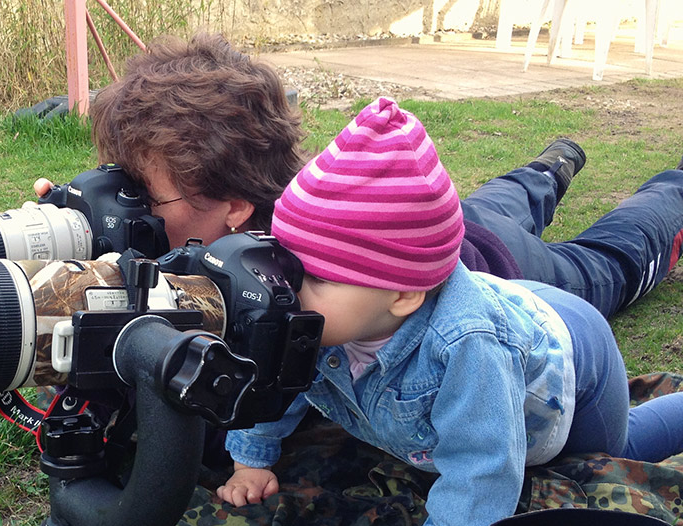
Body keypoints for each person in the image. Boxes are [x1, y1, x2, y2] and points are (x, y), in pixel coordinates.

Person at [215, 97, 683, 526]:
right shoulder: (320, 313)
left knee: (613, 454)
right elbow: (273, 382)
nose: (289, 288)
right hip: (513, 304)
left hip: (574, 357)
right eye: (288, 265)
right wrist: (251, 459)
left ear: (402, 296)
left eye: (318, 278)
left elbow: (484, 466)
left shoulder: (466, 350)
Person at [40, 32, 676, 320]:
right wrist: (61, 247)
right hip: (441, 224)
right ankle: (551, 165)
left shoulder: (292, 280)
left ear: (234, 208)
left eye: (142, 192)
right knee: (505, 198)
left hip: (494, 269)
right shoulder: (214, 217)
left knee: (611, 263)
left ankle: (671, 193)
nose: (126, 205)